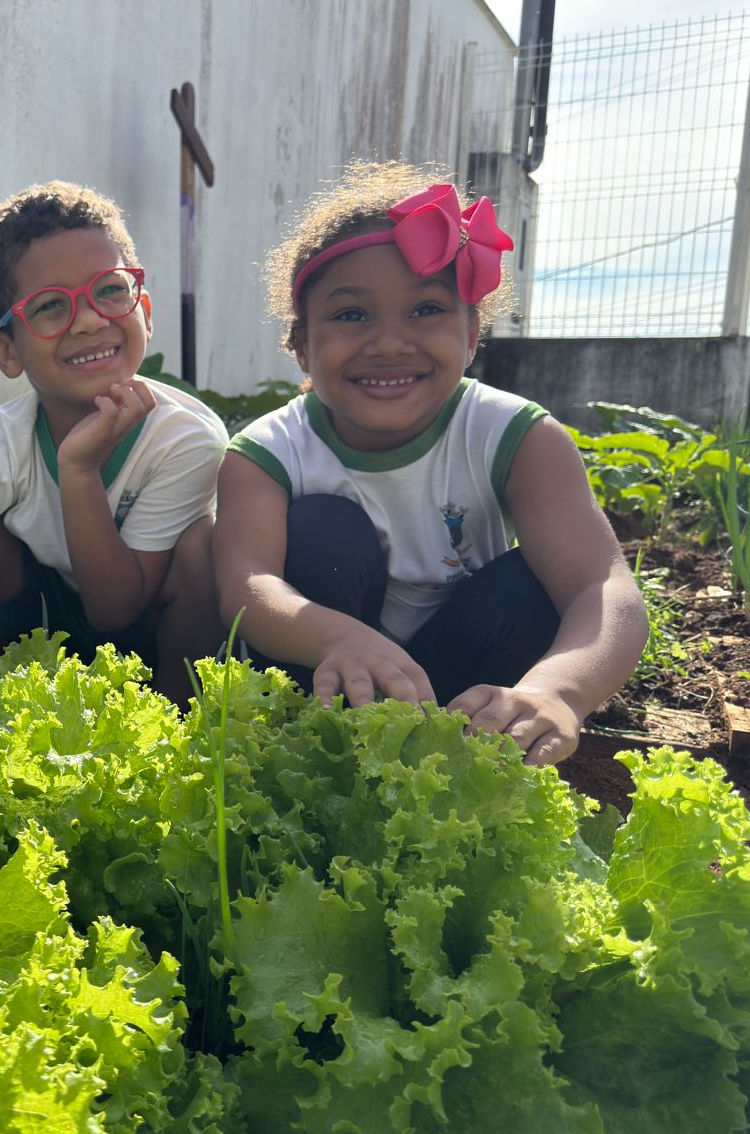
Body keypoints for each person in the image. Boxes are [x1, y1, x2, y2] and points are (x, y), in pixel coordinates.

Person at [216, 161, 647, 765]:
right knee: (320, 531)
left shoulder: (517, 435)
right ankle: (314, 761)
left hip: (468, 694)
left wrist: (559, 691)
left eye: (425, 311)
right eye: (351, 315)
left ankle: (477, 759)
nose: (390, 341)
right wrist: (337, 637)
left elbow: (604, 589)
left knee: (532, 588)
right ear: (302, 347)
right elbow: (246, 584)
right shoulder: (267, 452)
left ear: (473, 334)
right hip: (325, 680)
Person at [0, 181, 228, 700]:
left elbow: (116, 609)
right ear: (6, 352)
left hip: (147, 631)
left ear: (144, 309)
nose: (90, 319)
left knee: (202, 547)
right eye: (51, 306)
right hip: (46, 626)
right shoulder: (3, 438)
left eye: (111, 289)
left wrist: (78, 472)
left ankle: (180, 729)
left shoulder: (184, 438)